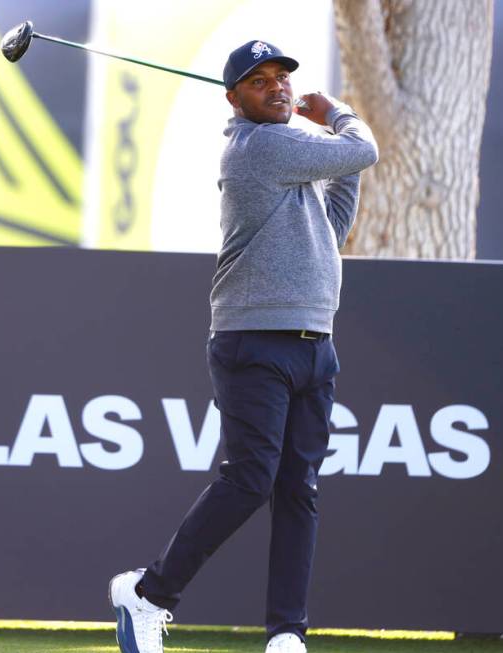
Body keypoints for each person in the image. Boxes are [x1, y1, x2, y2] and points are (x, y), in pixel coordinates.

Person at [108, 40, 378, 653]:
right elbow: (361, 149)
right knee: (251, 480)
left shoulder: (289, 157)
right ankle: (148, 595)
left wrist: (339, 158)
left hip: (316, 343)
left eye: (283, 77)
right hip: (254, 340)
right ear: (233, 100)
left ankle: (286, 633)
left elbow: (332, 222)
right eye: (259, 81)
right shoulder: (257, 148)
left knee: (299, 489)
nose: (278, 87)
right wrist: (335, 111)